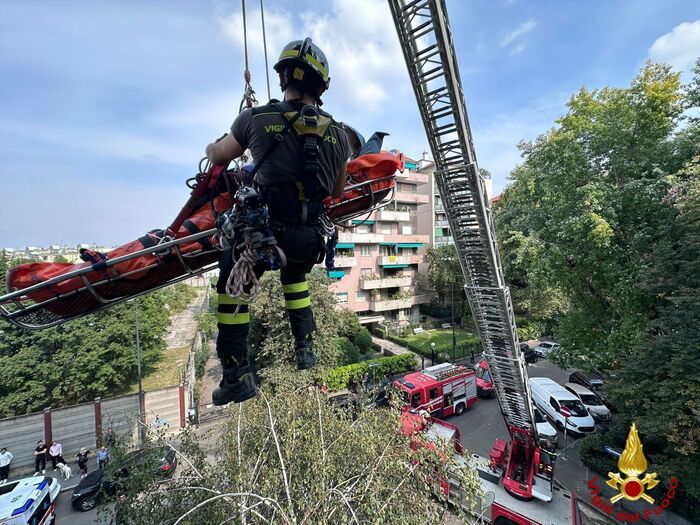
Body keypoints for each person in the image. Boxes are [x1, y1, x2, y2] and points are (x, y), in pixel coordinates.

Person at [205, 37, 350, 406]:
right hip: (308, 245)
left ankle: (236, 375)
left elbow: (218, 156)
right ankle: (306, 348)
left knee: (232, 287)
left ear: (283, 75)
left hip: (263, 241)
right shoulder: (341, 135)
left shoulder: (255, 118)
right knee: (296, 278)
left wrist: (215, 146)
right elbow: (334, 188)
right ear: (322, 87)